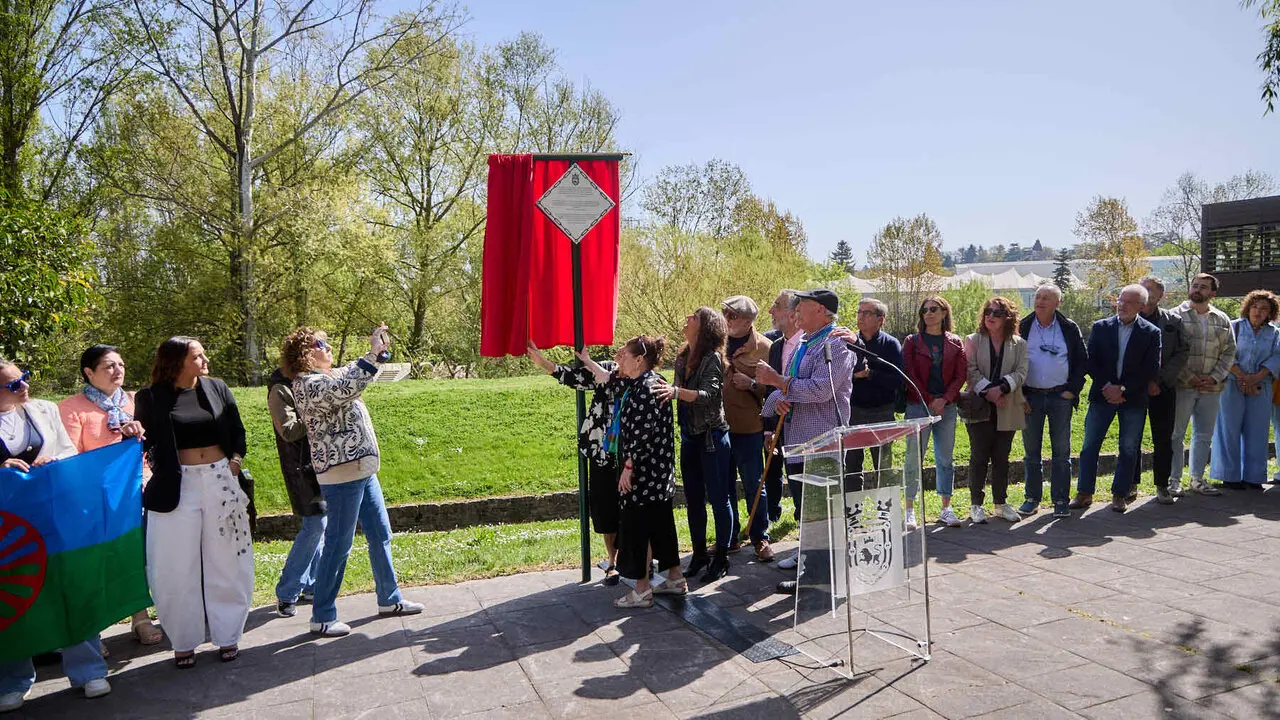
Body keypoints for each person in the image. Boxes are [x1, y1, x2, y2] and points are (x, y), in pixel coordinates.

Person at [287, 325, 423, 637]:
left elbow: (355, 373)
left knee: (380, 533)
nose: (328, 346)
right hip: (341, 473)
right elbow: (347, 386)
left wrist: (377, 350)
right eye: (321, 343)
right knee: (338, 544)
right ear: (305, 354)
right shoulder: (306, 384)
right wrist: (373, 355)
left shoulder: (331, 374)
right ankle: (322, 616)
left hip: (362, 469)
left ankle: (389, 599)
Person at [0, 360, 112, 710]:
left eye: (26, 377)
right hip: (9, 531)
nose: (24, 386)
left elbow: (68, 452)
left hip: (55, 516)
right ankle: (14, 679)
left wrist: (53, 461)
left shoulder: (45, 411)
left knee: (72, 587)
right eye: (14, 384)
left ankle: (88, 669)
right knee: (13, 597)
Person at [135, 337, 253, 668]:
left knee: (229, 561)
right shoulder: (151, 397)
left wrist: (234, 462)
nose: (205, 359)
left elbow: (237, 430)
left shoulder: (217, 388)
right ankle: (184, 641)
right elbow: (145, 440)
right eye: (197, 355)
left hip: (220, 479)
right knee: (174, 565)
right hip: (177, 486)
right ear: (177, 362)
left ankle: (228, 635)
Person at [58, 345, 163, 646]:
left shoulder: (135, 401)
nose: (118, 371)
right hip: (97, 497)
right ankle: (96, 628)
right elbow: (71, 457)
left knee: (137, 556)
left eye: (121, 364)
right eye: (108, 366)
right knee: (100, 560)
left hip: (140, 490)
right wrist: (119, 438)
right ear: (88, 372)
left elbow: (155, 445)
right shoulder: (72, 407)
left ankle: (140, 617)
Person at [755, 289, 854, 594]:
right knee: (807, 510)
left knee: (820, 511)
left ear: (822, 311)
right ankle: (813, 569)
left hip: (822, 441)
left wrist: (778, 382)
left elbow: (822, 390)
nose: (797, 311)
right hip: (798, 441)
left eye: (804, 306)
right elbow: (792, 389)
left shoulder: (836, 345)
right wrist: (776, 402)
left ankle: (821, 577)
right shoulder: (805, 343)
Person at [579, 336, 686, 609]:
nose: (619, 359)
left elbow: (641, 434)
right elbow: (609, 377)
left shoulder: (644, 389)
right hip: (659, 473)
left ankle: (641, 589)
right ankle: (675, 578)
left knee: (637, 528)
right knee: (661, 525)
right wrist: (588, 361)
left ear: (639, 359)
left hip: (644, 472)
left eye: (624, 355)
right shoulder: (645, 381)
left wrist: (629, 467)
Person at [527, 340, 621, 584]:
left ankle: (640, 560)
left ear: (639, 358)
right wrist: (542, 362)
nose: (618, 354)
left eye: (625, 351)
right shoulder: (609, 368)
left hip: (629, 454)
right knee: (603, 511)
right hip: (601, 453)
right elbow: (574, 377)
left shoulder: (643, 380)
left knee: (632, 510)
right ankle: (613, 562)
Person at [654, 307, 736, 583]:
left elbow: (710, 396)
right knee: (693, 501)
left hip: (712, 437)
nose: (687, 318)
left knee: (719, 498)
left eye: (693, 317)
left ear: (703, 328)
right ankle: (700, 553)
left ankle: (722, 556)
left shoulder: (712, 358)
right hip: (690, 435)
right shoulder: (682, 357)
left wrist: (676, 392)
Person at [1072, 285, 1163, 514]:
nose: (1122, 305)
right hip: (1102, 396)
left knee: (1129, 448)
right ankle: (1084, 493)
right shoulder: (1101, 327)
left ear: (1142, 307)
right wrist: (1107, 387)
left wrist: (1122, 389)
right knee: (1089, 445)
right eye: (1120, 300)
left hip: (1132, 399)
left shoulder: (1151, 332)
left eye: (1129, 302)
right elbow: (1091, 362)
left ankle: (1120, 494)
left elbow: (1150, 368)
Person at [1017, 285, 1087, 517]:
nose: (1040, 301)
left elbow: (1081, 362)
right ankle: (1032, 498)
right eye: (1038, 297)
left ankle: (1060, 500)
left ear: (1058, 303)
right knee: (1031, 452)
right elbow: (1013, 363)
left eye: (1046, 298)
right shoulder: (1023, 326)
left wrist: (1072, 391)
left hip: (1060, 397)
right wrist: (1020, 394)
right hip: (1031, 397)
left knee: (1061, 451)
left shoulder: (1069, 327)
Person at [268, 351, 328, 617]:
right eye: (319, 347)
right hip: (301, 468)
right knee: (316, 524)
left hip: (320, 464)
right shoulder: (280, 389)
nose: (325, 352)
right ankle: (287, 592)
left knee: (318, 524)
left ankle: (311, 586)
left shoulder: (314, 380)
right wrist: (320, 413)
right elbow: (289, 431)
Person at [1169, 273, 1236, 497]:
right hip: (1183, 385)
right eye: (1195, 285)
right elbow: (1170, 352)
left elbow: (1229, 352)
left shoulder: (1222, 319)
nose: (1197, 289)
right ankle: (1173, 481)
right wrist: (1190, 378)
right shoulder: (1175, 316)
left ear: (1212, 293)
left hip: (1211, 387)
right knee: (1176, 435)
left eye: (1203, 287)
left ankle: (1197, 479)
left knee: (1204, 435)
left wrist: (1215, 377)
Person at [902, 296, 966, 529]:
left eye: (933, 309)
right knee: (912, 458)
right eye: (924, 310)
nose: (928, 313)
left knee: (945, 458)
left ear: (944, 313)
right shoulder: (912, 341)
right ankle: (909, 510)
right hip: (918, 405)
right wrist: (929, 400)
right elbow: (909, 373)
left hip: (947, 408)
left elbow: (961, 375)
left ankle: (945, 508)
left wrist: (945, 399)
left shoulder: (955, 342)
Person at [962, 296, 1027, 524]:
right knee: (979, 456)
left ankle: (1000, 503)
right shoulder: (973, 340)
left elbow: (1021, 372)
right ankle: (976, 505)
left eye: (997, 313)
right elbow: (970, 369)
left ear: (1008, 317)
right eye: (988, 311)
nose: (990, 316)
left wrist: (1001, 389)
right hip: (979, 407)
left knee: (1002, 457)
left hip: (1006, 406)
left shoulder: (1019, 344)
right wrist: (989, 391)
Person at [719, 295, 775, 562]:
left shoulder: (765, 347)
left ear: (748, 320)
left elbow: (775, 392)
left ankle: (760, 537)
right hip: (718, 427)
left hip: (749, 426)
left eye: (732, 316)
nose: (726, 320)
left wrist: (751, 384)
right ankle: (728, 538)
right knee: (724, 485)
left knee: (754, 483)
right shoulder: (716, 342)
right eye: (724, 314)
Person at [1210, 290, 1280, 490]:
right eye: (1255, 307)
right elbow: (1224, 353)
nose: (1258, 312)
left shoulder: (1274, 333)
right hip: (1232, 383)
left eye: (1264, 309)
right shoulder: (1233, 327)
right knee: (1229, 429)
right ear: (1248, 308)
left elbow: (1277, 358)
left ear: (1270, 313)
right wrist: (1242, 377)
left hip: (1261, 385)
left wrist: (1255, 378)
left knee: (1257, 431)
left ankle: (1253, 476)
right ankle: (1229, 476)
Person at [833, 298, 903, 487]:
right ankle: (853, 511)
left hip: (882, 411)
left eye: (867, 313)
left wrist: (870, 374)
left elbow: (898, 380)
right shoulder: (848, 343)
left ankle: (885, 512)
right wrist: (854, 376)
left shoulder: (891, 345)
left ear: (881, 320)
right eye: (859, 312)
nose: (861, 317)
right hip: (854, 411)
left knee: (883, 466)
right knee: (852, 465)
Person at [1134, 276, 1188, 505]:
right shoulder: (1128, 319)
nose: (1145, 293)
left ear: (1160, 295)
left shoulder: (1173, 321)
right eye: (1142, 288)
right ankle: (1130, 485)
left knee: (1163, 438)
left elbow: (1182, 352)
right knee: (1131, 438)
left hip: (1163, 389)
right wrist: (1141, 382)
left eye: (1150, 290)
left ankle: (1162, 485)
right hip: (1134, 389)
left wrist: (1161, 381)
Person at [763, 289, 802, 527]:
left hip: (808, 427)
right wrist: (768, 430)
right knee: (794, 480)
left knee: (805, 485)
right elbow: (770, 389)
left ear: (792, 314)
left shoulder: (810, 344)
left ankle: (806, 544)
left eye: (776, 306)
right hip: (782, 427)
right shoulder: (776, 346)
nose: (770, 311)